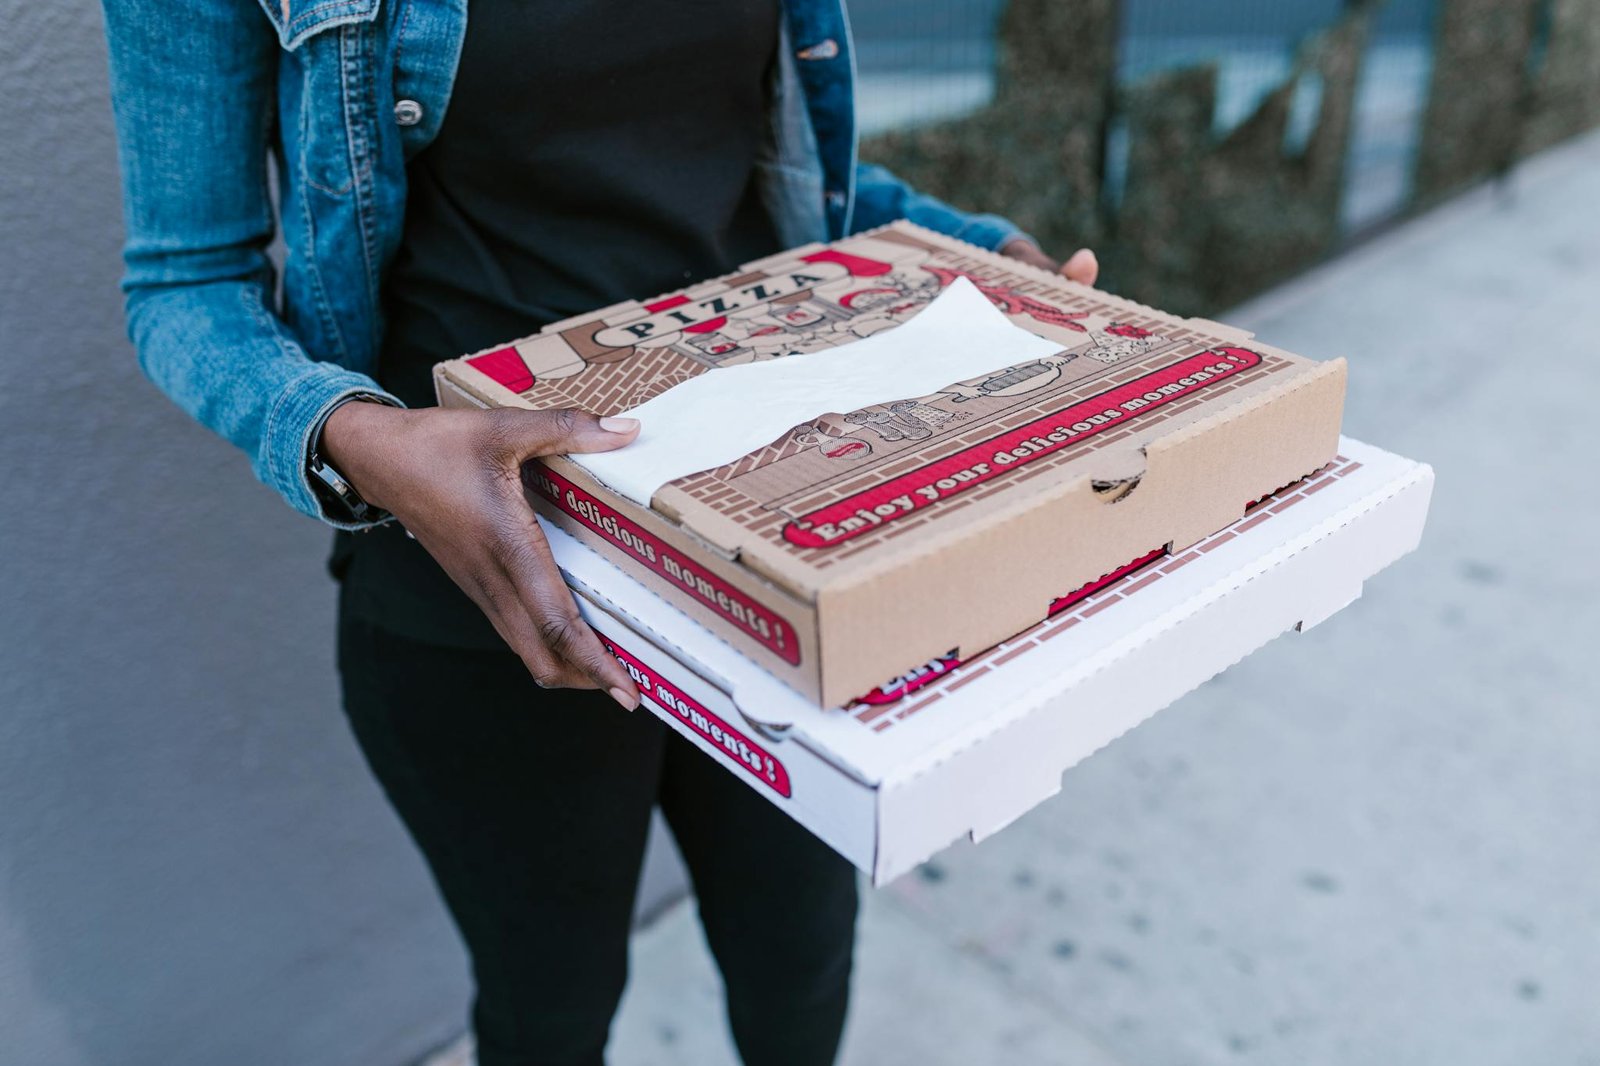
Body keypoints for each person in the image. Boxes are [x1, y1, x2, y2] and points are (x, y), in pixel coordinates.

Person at [100, 2, 1099, 1063]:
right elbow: (184, 284)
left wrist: (979, 254)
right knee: (552, 1009)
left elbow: (769, 170)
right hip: (488, 589)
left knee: (800, 956)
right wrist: (354, 434)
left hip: (776, 555)